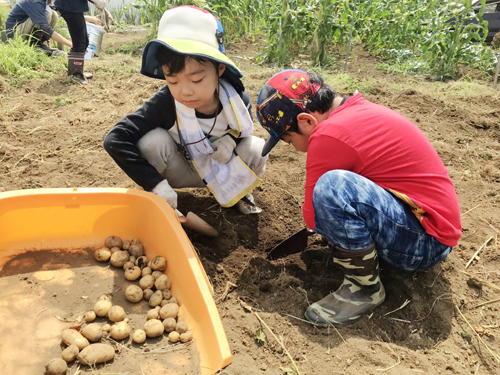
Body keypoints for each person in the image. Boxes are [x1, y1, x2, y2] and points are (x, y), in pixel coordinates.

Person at [256, 69, 462, 326]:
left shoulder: (328, 134)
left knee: (332, 187)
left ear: (307, 121)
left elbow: (312, 216)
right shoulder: (357, 111)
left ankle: (363, 290)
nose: (292, 147)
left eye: (288, 139)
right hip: (430, 227)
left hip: (425, 245)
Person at [104, 6, 268, 216]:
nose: (185, 92)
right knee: (151, 143)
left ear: (219, 69)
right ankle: (155, 194)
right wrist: (156, 183)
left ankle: (240, 193)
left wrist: (231, 141)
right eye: (172, 81)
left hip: (222, 166)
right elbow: (115, 139)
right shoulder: (166, 103)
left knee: (257, 148)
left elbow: (242, 129)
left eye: (197, 79)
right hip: (181, 169)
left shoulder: (236, 100)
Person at [53, 0, 105, 84]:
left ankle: (78, 71)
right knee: (79, 42)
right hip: (70, 6)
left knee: (84, 41)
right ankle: (75, 74)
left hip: (74, 7)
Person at [5, 0, 71, 56]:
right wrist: (70, 44)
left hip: (23, 28)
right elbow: (45, 28)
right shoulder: (35, 1)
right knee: (46, 14)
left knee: (54, 15)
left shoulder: (45, 2)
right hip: (14, 33)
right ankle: (33, 45)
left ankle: (39, 43)